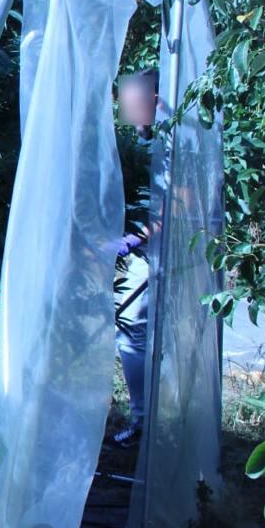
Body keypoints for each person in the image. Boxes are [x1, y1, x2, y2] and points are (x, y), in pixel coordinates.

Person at [111, 67, 160, 448]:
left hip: (157, 252)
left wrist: (133, 239)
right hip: (145, 248)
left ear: (154, 101)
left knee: (132, 331)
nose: (126, 115)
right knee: (131, 331)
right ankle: (147, 418)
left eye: (131, 105)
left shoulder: (170, 141)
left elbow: (181, 205)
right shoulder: (145, 140)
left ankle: (144, 421)